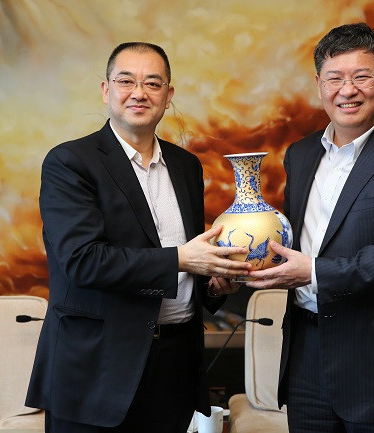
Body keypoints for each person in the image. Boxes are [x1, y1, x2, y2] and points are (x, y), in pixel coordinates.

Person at [25, 42, 250, 433]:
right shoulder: (70, 163)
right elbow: (82, 261)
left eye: (153, 83)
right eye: (125, 81)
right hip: (97, 369)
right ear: (106, 90)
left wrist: (214, 283)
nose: (139, 93)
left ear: (168, 95)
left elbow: (189, 261)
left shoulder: (185, 166)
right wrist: (181, 259)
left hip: (174, 366)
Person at [246, 23, 374, 433]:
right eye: (334, 78)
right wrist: (243, 264)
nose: (348, 90)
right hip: (306, 356)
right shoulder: (301, 154)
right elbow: (297, 240)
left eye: (361, 77)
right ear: (319, 85)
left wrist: (313, 271)